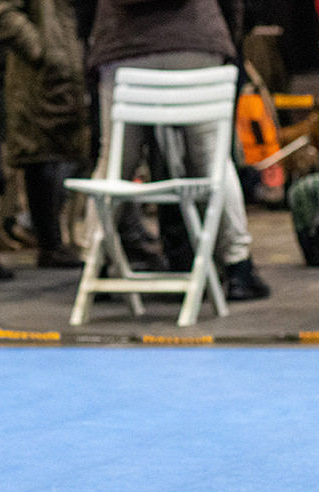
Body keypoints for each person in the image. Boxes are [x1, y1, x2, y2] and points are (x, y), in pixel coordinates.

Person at [82, 0, 270, 301]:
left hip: (122, 47)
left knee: (114, 163)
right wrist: (228, 37)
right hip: (196, 42)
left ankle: (94, 267)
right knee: (213, 159)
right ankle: (239, 268)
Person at [0, 0, 89, 269]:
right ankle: (50, 243)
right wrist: (42, 50)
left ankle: (60, 241)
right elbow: (3, 12)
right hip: (39, 74)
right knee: (39, 155)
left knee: (69, 154)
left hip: (72, 72)